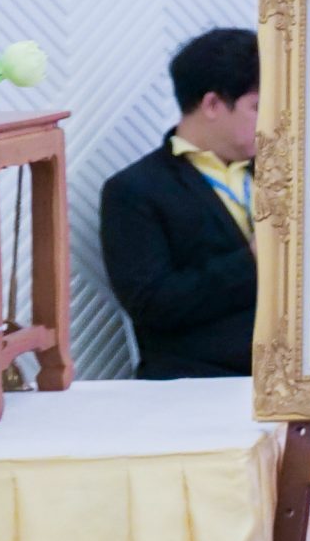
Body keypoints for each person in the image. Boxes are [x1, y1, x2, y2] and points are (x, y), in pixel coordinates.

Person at [101, 28, 262, 378]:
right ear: (212, 105)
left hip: (292, 371)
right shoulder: (134, 190)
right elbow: (153, 305)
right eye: (258, 107)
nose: (273, 120)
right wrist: (252, 259)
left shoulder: (280, 170)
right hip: (198, 379)